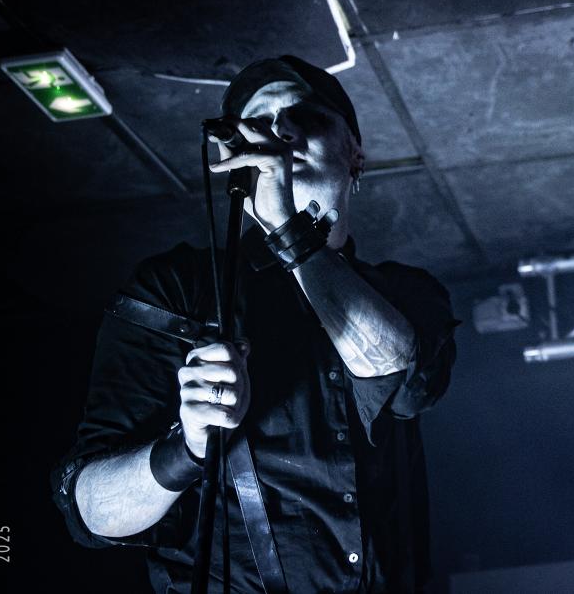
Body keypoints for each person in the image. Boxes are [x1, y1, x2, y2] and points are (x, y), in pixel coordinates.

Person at [49, 56, 461, 593]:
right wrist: (188, 446)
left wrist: (287, 226)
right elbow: (90, 511)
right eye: (259, 122)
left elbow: (401, 379)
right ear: (233, 159)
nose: (281, 132)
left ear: (355, 154)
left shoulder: (405, 292)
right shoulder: (176, 291)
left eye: (306, 116)